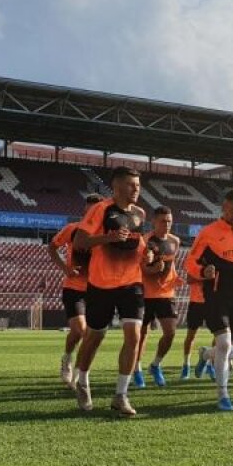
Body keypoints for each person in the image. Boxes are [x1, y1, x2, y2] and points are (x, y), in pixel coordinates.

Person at [71, 166, 147, 417]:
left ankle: (121, 395)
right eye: (130, 185)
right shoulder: (100, 209)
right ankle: (82, 380)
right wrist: (108, 238)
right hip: (101, 283)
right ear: (116, 187)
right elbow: (80, 242)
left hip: (131, 283)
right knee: (95, 337)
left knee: (134, 335)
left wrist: (149, 254)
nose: (136, 189)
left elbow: (137, 243)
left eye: (137, 185)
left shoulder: (139, 214)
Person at [184, 190, 233, 411]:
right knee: (225, 344)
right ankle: (223, 395)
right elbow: (190, 261)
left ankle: (206, 354)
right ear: (224, 208)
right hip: (216, 294)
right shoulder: (208, 233)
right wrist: (202, 271)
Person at [48, 193, 104, 385]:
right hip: (74, 288)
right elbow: (52, 247)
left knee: (86, 334)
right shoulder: (73, 230)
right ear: (84, 210)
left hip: (97, 289)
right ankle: (73, 365)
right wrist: (65, 268)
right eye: (90, 209)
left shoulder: (104, 235)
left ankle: (73, 365)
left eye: (97, 210)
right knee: (81, 331)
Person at [135, 206, 181, 387]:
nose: (167, 224)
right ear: (153, 222)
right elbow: (138, 267)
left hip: (166, 293)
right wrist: (150, 270)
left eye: (169, 221)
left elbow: (171, 263)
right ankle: (137, 368)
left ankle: (155, 364)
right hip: (144, 293)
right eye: (163, 221)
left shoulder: (175, 241)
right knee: (141, 334)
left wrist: (175, 277)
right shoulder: (144, 241)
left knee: (170, 332)